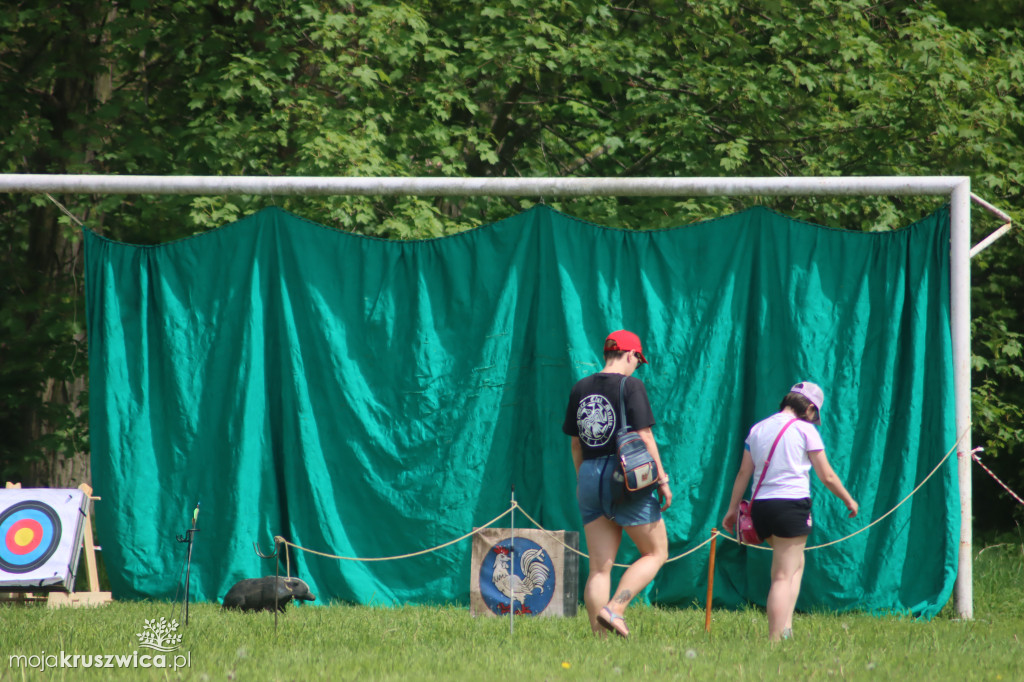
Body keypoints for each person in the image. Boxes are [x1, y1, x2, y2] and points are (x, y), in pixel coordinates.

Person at [722, 382, 859, 642]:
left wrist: (731, 510)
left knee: (796, 563)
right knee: (782, 576)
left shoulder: (758, 429)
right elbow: (827, 475)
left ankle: (786, 629)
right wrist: (848, 499)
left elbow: (743, 473)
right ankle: (775, 639)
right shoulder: (805, 430)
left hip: (760, 506)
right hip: (790, 506)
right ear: (809, 408)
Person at [562, 329, 672, 639]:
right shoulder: (631, 385)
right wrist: (662, 480)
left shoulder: (580, 387)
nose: (638, 365)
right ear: (629, 355)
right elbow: (645, 436)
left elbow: (575, 445)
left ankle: (599, 639)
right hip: (625, 477)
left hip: (588, 474)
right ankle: (616, 608)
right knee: (656, 552)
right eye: (638, 359)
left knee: (599, 568)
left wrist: (583, 479)